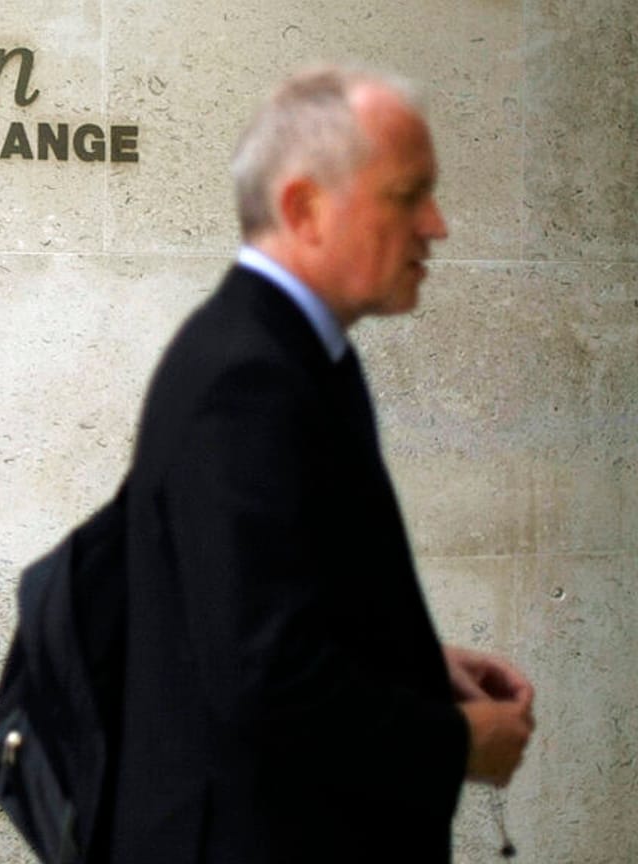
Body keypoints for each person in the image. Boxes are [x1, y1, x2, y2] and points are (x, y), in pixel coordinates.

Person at [103, 66, 535, 863]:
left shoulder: (294, 352)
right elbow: (263, 680)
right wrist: (456, 746)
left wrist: (411, 661)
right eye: (409, 195)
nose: (437, 225)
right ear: (304, 208)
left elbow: (265, 612)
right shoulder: (247, 377)